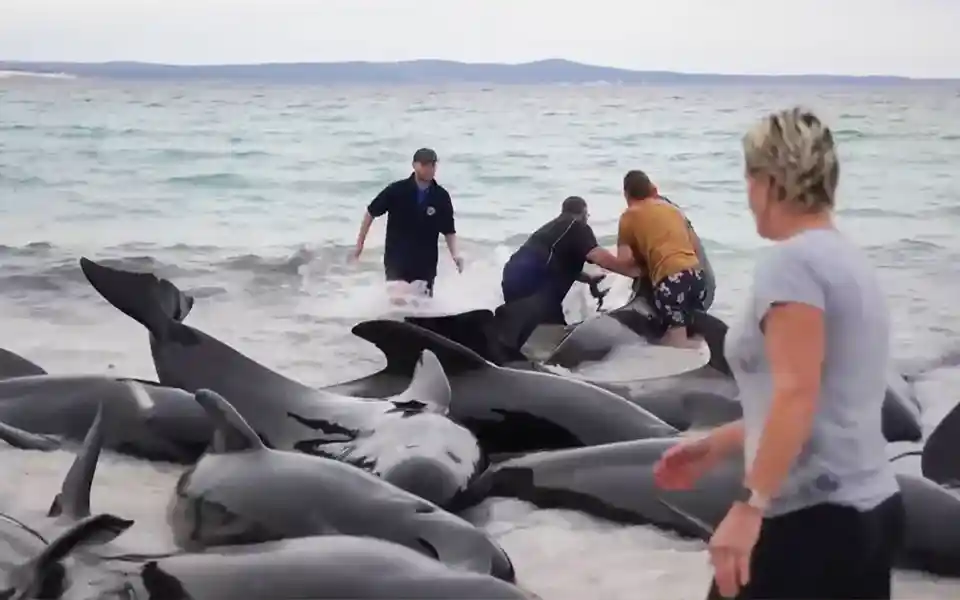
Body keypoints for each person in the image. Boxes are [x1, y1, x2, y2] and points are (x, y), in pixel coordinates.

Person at [653, 107, 903, 599]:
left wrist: (749, 507)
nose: (747, 194)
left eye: (749, 177)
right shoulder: (850, 261)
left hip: (808, 519)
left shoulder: (791, 263)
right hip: (873, 512)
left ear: (770, 181)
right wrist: (717, 444)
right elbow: (828, 402)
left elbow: (797, 395)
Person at [495, 196, 640, 351]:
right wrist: (633, 273)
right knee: (556, 340)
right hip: (536, 290)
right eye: (587, 215)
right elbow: (599, 257)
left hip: (512, 277)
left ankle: (505, 357)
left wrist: (588, 279)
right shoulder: (577, 227)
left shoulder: (551, 229)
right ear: (583, 213)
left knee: (524, 332)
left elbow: (551, 263)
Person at [353, 148, 463, 297]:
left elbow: (449, 230)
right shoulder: (396, 190)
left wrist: (455, 255)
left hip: (426, 262)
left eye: (432, 165)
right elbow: (371, 213)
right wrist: (360, 244)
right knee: (397, 303)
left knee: (422, 307)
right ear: (414, 165)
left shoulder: (441, 196)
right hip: (396, 258)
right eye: (425, 164)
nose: (429, 169)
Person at [616, 170, 707, 348]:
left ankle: (688, 361)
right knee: (687, 329)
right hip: (697, 277)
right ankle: (702, 356)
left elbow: (624, 260)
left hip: (671, 280)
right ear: (651, 189)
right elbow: (695, 247)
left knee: (675, 341)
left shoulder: (628, 216)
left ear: (626, 194)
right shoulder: (673, 210)